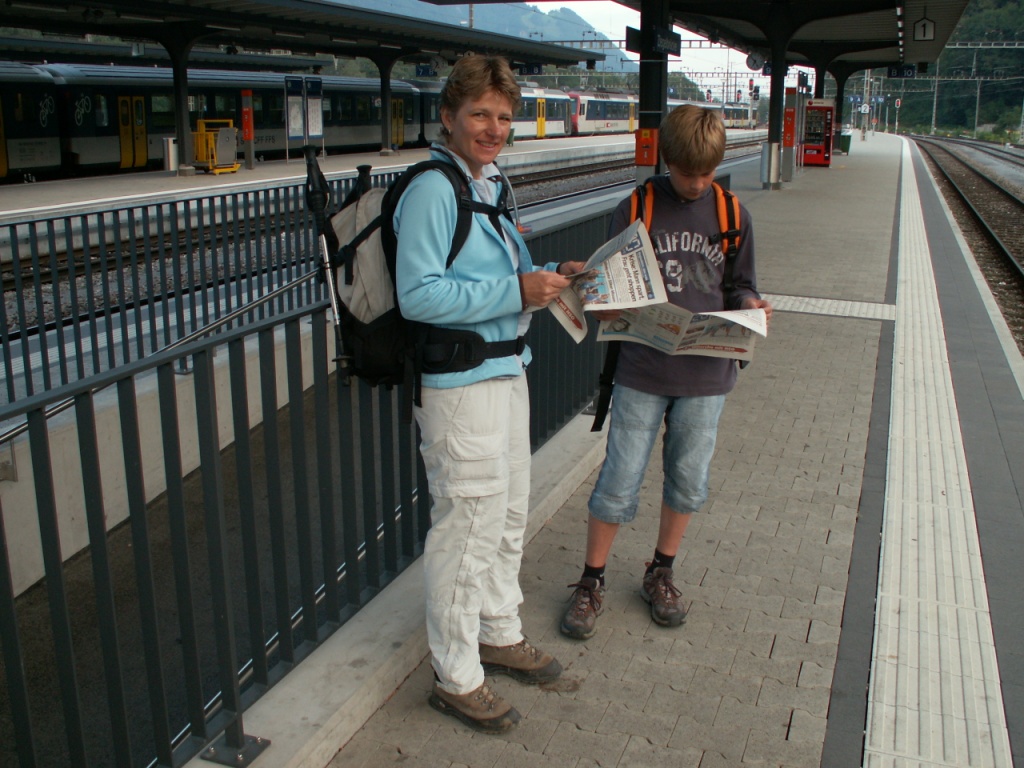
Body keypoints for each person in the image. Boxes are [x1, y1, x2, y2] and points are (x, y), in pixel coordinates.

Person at [393, 55, 584, 734]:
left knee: (505, 514)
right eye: (479, 114)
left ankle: (498, 631)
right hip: (460, 384)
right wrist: (514, 291)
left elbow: (504, 272)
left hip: (506, 370)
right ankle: (456, 675)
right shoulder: (432, 190)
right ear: (449, 116)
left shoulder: (491, 183)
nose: (493, 128)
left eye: (503, 117)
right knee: (467, 525)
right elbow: (418, 295)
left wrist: (551, 274)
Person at [560, 104, 773, 640]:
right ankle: (590, 579)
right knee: (619, 478)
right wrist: (597, 297)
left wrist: (752, 306)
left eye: (707, 172)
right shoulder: (637, 208)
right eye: (686, 172)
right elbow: (607, 284)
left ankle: (661, 571)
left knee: (688, 479)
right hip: (642, 370)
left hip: (706, 376)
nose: (697, 183)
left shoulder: (732, 214)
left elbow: (741, 285)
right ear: (666, 160)